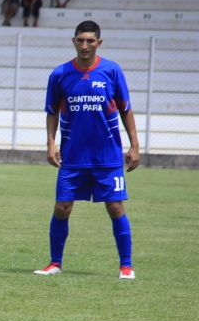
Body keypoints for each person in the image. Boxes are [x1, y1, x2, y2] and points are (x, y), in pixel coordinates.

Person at [35, 21, 140, 280]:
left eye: (90, 41)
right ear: (74, 41)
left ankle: (126, 266)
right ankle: (55, 263)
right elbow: (52, 112)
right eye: (80, 40)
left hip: (108, 156)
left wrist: (135, 145)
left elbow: (126, 109)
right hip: (73, 157)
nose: (85, 45)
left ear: (99, 43)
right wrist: (50, 143)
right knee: (62, 208)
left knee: (116, 207)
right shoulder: (60, 74)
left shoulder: (111, 71)